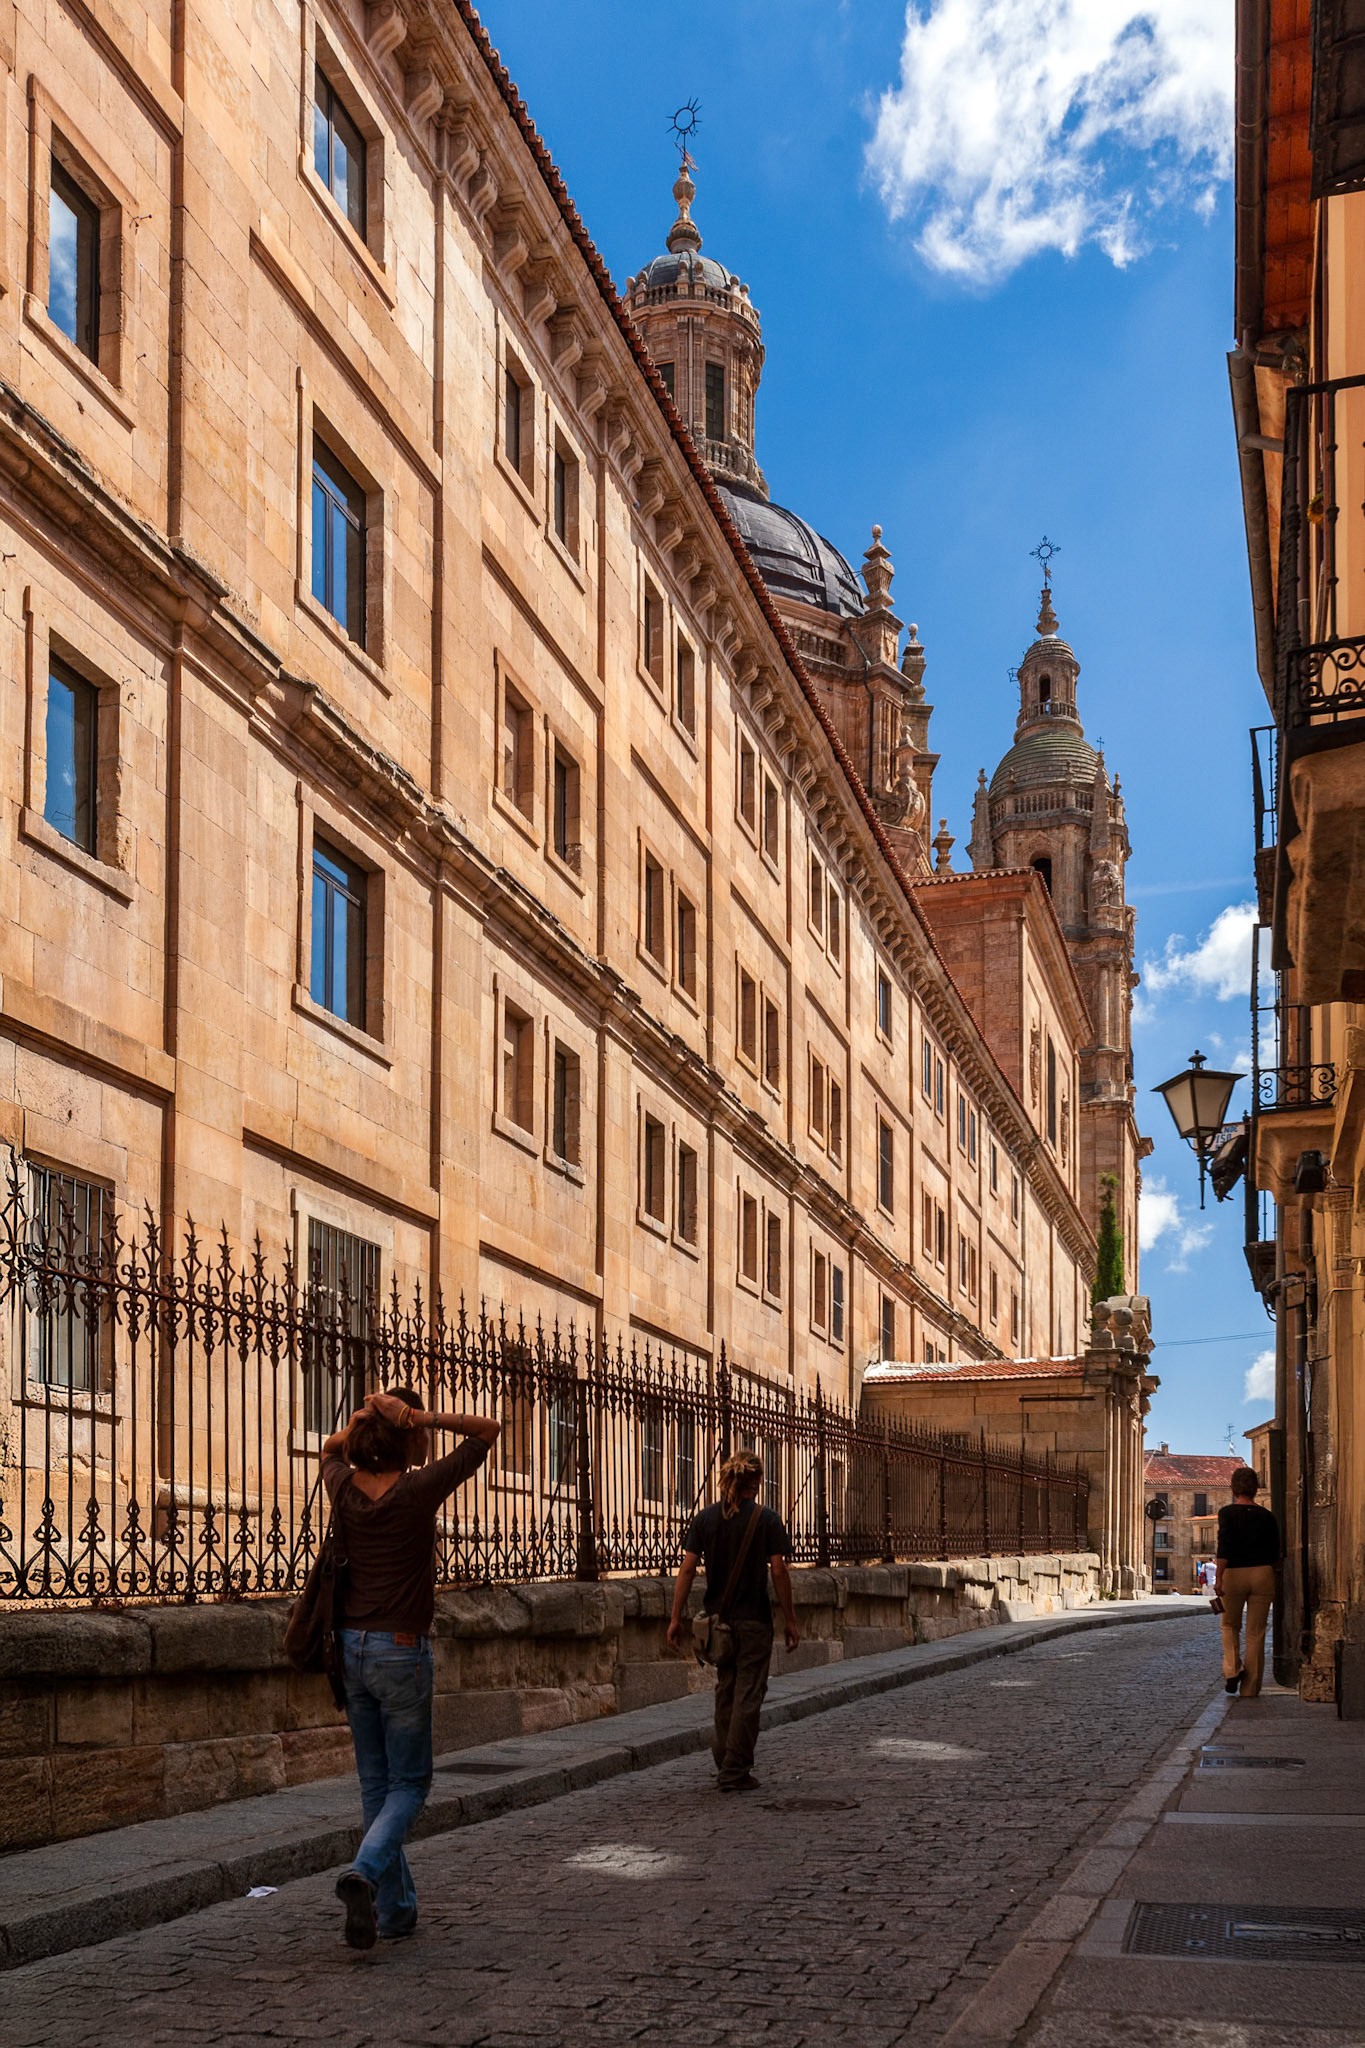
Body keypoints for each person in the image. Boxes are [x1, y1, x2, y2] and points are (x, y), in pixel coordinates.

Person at [321, 1387, 500, 1949]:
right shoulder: (419, 1490)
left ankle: (395, 1912)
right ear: (408, 1434)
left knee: (377, 1785)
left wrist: (361, 1420)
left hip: (350, 1649)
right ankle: (366, 1872)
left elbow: (330, 1448)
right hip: (402, 1650)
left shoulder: (344, 1488)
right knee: (412, 1783)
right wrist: (416, 1413)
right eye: (417, 1430)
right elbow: (488, 1430)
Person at [666, 1450, 800, 1793]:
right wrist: (790, 1619)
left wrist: (675, 1617)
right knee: (748, 1694)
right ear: (755, 1483)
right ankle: (735, 1769)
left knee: (726, 1690)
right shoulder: (766, 1519)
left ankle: (724, 1758)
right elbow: (779, 1571)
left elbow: (687, 1568)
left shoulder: (705, 1519)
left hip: (718, 1624)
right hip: (754, 1619)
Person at [1214, 1464, 1281, 1699]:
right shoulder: (1268, 1516)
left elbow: (1224, 1548)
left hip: (1234, 1574)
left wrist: (1218, 1578)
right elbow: (1276, 1552)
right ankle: (1250, 1689)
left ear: (1233, 1488)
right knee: (1256, 1633)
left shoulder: (1227, 1514)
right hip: (1263, 1574)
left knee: (1229, 1625)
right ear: (1256, 1489)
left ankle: (1233, 1669)